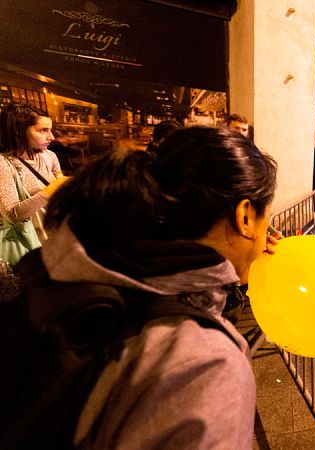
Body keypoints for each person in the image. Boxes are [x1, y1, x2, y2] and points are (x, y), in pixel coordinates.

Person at [38, 126, 279, 448]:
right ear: (245, 217)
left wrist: (231, 278)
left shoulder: (97, 273)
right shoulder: (205, 364)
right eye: (266, 219)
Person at [0, 104, 69, 262]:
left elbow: (57, 182)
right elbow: (12, 215)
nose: (51, 137)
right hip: (27, 243)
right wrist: (53, 189)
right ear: (18, 131)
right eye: (43, 130)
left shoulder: (47, 155)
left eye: (50, 130)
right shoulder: (4, 164)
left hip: (52, 236)